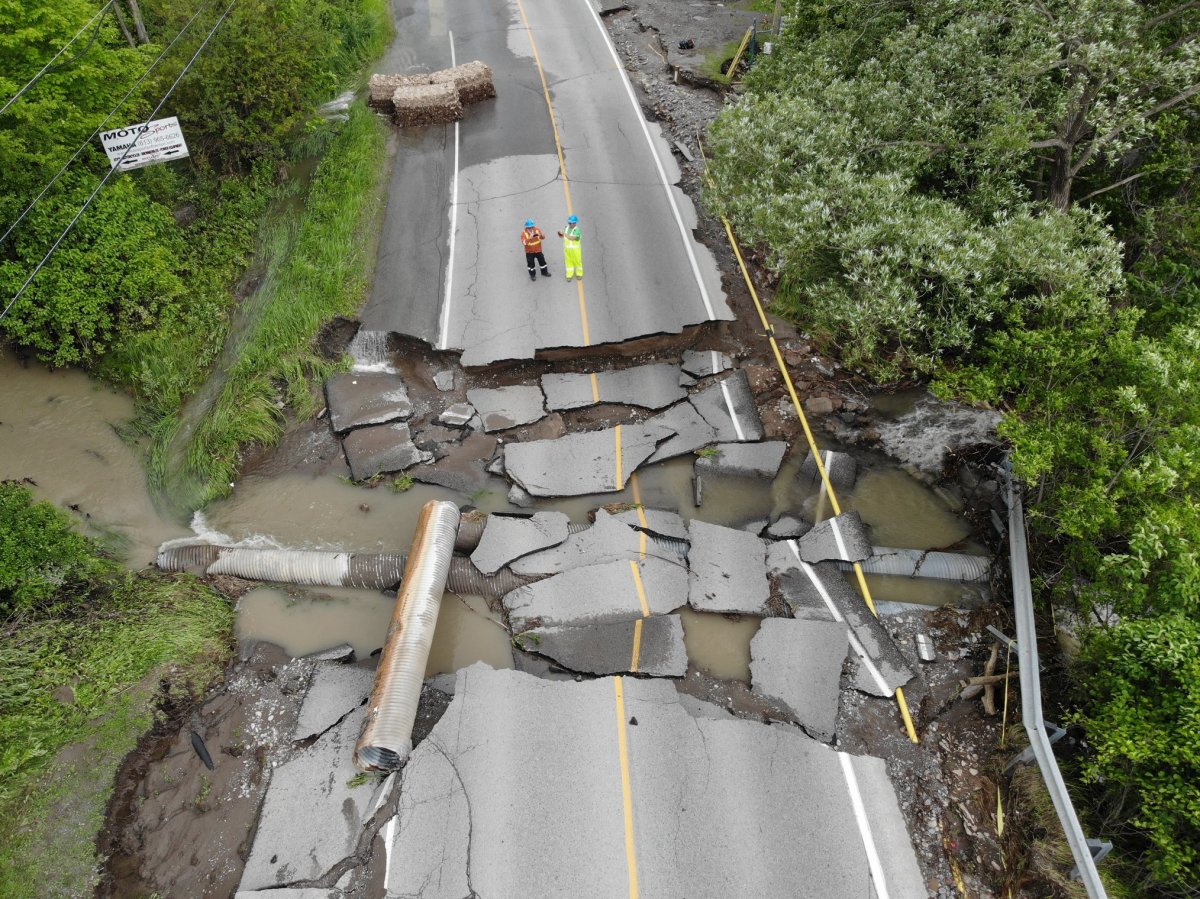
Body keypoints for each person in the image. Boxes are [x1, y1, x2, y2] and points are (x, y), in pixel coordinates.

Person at [558, 214, 582, 281]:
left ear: (575, 223)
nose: (569, 224)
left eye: (570, 223)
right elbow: (563, 237)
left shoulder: (577, 230)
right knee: (568, 262)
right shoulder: (567, 228)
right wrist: (560, 235)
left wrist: (564, 234)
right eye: (569, 222)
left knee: (577, 261)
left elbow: (572, 238)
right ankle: (569, 274)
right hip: (567, 249)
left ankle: (579, 274)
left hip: (575, 250)